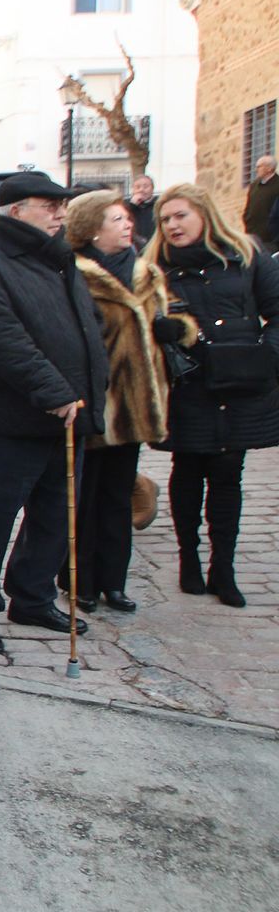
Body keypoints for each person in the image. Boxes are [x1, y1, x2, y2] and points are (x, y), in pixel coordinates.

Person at [0, 172, 108, 654]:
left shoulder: (60, 261)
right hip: (9, 420)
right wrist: (52, 389)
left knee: (56, 516)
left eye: (62, 206)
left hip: (68, 418)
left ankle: (33, 595)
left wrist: (92, 386)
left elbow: (86, 326)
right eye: (50, 205)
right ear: (15, 211)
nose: (61, 213)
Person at [144, 184, 279, 608]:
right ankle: (189, 559)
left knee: (226, 471)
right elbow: (137, 320)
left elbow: (276, 311)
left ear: (203, 214)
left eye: (180, 215)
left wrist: (266, 356)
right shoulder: (154, 267)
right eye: (166, 219)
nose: (172, 225)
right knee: (188, 468)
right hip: (189, 383)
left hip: (239, 381)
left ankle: (224, 566)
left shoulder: (246, 255)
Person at [65, 190, 196, 613]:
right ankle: (78, 582)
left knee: (119, 496)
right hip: (96, 403)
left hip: (136, 403)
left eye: (127, 218)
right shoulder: (75, 274)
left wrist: (177, 329)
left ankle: (113, 583)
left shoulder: (145, 272)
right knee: (84, 498)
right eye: (116, 219)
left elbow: (175, 320)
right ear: (91, 228)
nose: (128, 225)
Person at [242, 156, 278, 254]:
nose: (256, 169)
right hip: (252, 236)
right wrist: (246, 219)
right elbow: (248, 208)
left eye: (259, 166)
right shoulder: (254, 186)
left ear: (269, 168)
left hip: (270, 239)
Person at [128, 175, 159, 251]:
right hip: (134, 247)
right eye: (137, 187)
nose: (141, 190)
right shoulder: (126, 205)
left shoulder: (158, 204)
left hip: (154, 246)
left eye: (145, 187)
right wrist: (132, 205)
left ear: (152, 189)